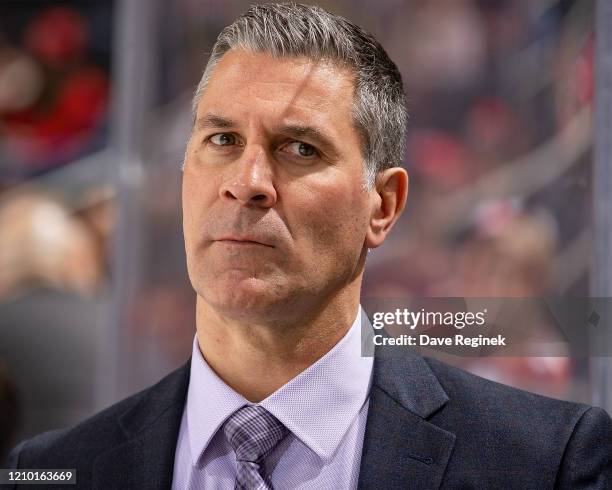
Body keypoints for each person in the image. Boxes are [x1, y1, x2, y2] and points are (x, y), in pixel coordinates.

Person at [5, 3, 612, 489]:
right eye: (222, 140)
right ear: (184, 174)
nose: (247, 184)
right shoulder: (56, 471)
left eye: (301, 149)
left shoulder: (547, 463)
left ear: (384, 205)